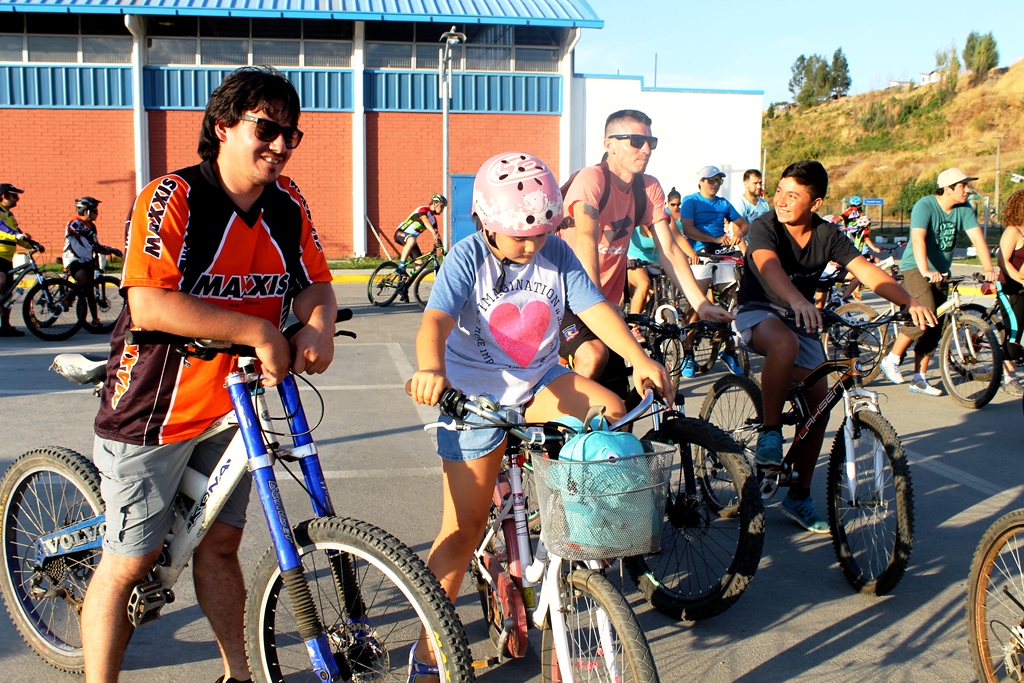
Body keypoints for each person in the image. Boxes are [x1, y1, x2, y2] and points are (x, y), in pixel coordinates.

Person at [82, 66, 337, 683]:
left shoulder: (287, 203)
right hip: (153, 407)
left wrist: (318, 326)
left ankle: (238, 675)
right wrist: (259, 331)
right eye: (266, 128)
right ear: (222, 127)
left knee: (221, 546)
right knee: (130, 561)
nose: (280, 144)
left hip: (232, 407)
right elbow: (149, 304)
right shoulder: (172, 197)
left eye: (291, 134)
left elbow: (315, 285)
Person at [407, 151, 670, 681]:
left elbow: (595, 308)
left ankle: (585, 560)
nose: (531, 246)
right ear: (485, 221)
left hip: (538, 381)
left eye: (540, 233)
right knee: (462, 529)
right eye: (518, 237)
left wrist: (638, 359)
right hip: (474, 395)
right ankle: (428, 657)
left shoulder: (557, 252)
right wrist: (431, 368)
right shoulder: (466, 257)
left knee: (611, 411)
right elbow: (435, 320)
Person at [735, 160, 935, 533]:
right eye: (779, 192)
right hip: (759, 311)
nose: (781, 200)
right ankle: (770, 432)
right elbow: (768, 266)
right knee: (783, 345)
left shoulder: (828, 234)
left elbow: (866, 270)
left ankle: (798, 496)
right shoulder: (765, 226)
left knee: (820, 401)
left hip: (802, 318)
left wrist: (908, 301)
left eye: (793, 196)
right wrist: (798, 300)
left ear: (815, 203)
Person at [558, 110, 732, 390]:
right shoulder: (592, 180)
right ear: (610, 145)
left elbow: (670, 251)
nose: (647, 149)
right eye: (637, 141)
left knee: (620, 399)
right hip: (565, 297)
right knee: (592, 356)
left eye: (651, 142)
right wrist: (598, 306)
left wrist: (701, 304)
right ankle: (556, 414)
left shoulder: (648, 187)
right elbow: (586, 242)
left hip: (606, 306)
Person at [878, 168, 999, 396]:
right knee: (924, 312)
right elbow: (918, 238)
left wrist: (989, 269)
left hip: (941, 272)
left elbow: (977, 238)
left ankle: (919, 379)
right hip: (916, 267)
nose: (968, 190)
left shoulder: (964, 209)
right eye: (963, 185)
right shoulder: (925, 205)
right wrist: (925, 269)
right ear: (948, 188)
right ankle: (892, 358)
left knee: (935, 325)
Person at [679, 165, 749, 377]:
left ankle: (729, 350)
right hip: (700, 254)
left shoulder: (723, 203)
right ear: (701, 182)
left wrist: (739, 233)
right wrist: (715, 239)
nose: (716, 184)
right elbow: (688, 229)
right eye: (711, 180)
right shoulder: (691, 201)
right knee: (697, 304)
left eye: (719, 180)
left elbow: (743, 224)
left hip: (721, 254)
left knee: (730, 302)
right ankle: (688, 352)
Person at [624, 187, 700, 340]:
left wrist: (692, 255)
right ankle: (633, 327)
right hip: (635, 259)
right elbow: (621, 238)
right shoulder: (632, 216)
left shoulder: (664, 218)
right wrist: (623, 259)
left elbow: (678, 238)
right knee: (644, 284)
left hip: (657, 261)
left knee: (665, 287)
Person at [63, 196, 122, 327]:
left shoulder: (92, 226)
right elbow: (84, 233)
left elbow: (95, 245)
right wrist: (91, 234)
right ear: (86, 211)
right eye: (95, 211)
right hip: (74, 261)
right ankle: (66, 299)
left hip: (87, 261)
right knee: (83, 279)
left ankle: (95, 319)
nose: (97, 214)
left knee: (90, 290)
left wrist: (111, 250)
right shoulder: (74, 223)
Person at [995, 189, 1024, 396]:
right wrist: (1020, 279)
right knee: (1014, 329)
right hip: (1010, 286)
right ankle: (1010, 378)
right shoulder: (1013, 231)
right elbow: (1002, 261)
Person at [0, 183, 32, 336]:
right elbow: (3, 230)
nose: (17, 199)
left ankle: (5, 326)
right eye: (14, 195)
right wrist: (17, 236)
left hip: (7, 258)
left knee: (8, 292)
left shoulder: (9, 215)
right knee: (0, 283)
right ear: (3, 196)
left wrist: (31, 244)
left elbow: (17, 233)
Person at [394, 193, 447, 275]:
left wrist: (442, 249)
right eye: (442, 206)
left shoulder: (433, 220)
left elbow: (437, 235)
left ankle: (407, 280)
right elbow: (425, 220)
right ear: (435, 203)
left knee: (420, 264)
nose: (442, 209)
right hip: (400, 233)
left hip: (411, 240)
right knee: (411, 240)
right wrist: (432, 231)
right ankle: (401, 267)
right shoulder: (423, 209)